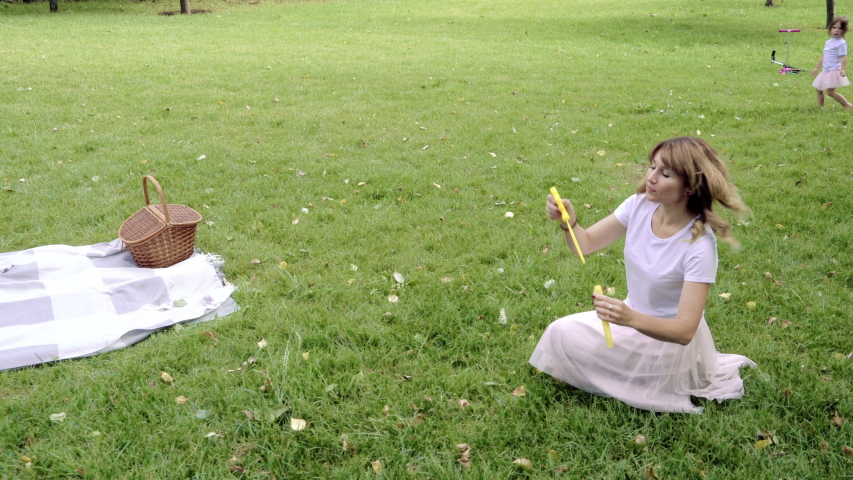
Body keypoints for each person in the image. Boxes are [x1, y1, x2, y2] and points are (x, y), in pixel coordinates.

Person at [529, 137, 756, 414]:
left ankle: (624, 372)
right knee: (560, 332)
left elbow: (685, 331)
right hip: (630, 323)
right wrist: (569, 223)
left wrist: (629, 318)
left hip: (668, 342)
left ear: (689, 187)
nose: (651, 178)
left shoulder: (699, 245)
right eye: (652, 167)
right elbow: (585, 244)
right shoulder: (638, 205)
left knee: (628, 372)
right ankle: (614, 366)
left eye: (665, 174)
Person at [811, 16, 853, 110]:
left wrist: (843, 69)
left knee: (830, 92)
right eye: (834, 28)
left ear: (844, 31)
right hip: (826, 70)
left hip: (834, 70)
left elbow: (843, 57)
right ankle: (820, 107)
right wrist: (817, 68)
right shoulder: (828, 42)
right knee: (819, 89)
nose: (836, 31)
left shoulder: (841, 43)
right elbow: (824, 56)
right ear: (830, 29)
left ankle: (847, 104)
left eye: (840, 28)